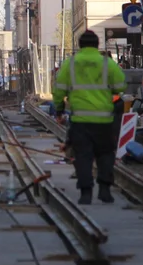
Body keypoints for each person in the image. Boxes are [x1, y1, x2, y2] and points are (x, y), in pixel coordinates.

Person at [52, 30, 128, 205]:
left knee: (83, 156)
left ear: (80, 45)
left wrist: (59, 110)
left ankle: (86, 193)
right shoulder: (107, 63)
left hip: (80, 120)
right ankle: (104, 190)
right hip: (104, 119)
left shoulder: (70, 64)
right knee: (105, 154)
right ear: (96, 45)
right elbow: (121, 85)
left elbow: (59, 89)